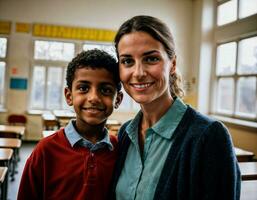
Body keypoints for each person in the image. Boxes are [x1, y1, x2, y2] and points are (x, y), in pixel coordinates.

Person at [109, 15, 241, 200]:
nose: (138, 73)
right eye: (127, 61)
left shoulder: (208, 136)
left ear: (172, 64)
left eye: (151, 59)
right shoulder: (125, 134)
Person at [18, 49, 123, 200]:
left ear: (118, 99)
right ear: (69, 96)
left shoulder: (119, 150)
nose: (94, 98)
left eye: (105, 90)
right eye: (83, 88)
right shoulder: (46, 150)